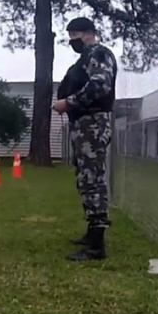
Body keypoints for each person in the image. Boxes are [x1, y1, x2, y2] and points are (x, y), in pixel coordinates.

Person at [53, 17, 118, 262]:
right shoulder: (84, 58)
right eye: (69, 37)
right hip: (82, 124)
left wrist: (68, 102)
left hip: (93, 123)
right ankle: (91, 234)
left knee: (93, 179)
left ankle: (96, 245)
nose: (72, 41)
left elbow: (100, 86)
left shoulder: (98, 53)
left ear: (89, 33)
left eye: (75, 36)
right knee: (85, 178)